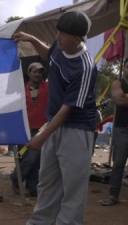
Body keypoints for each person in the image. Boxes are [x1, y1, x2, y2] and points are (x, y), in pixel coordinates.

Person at [13, 11, 97, 225]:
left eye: (63, 34)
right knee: (47, 181)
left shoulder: (85, 67)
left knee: (72, 188)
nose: (58, 37)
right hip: (54, 124)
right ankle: (40, 221)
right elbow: (48, 53)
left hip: (77, 130)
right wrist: (31, 39)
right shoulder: (60, 47)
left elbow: (67, 109)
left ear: (78, 38)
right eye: (58, 32)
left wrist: (42, 136)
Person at [10, 62, 48, 197]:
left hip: (42, 129)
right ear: (29, 73)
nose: (38, 74)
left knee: (36, 159)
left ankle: (32, 187)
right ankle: (16, 178)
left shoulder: (47, 87)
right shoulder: (21, 90)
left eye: (40, 72)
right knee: (26, 157)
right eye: (35, 71)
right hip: (24, 129)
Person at [100, 59, 128, 206]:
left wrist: (126, 96)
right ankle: (113, 195)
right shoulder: (118, 83)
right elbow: (119, 100)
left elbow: (124, 99)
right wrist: (123, 97)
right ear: (124, 68)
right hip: (122, 128)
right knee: (118, 163)